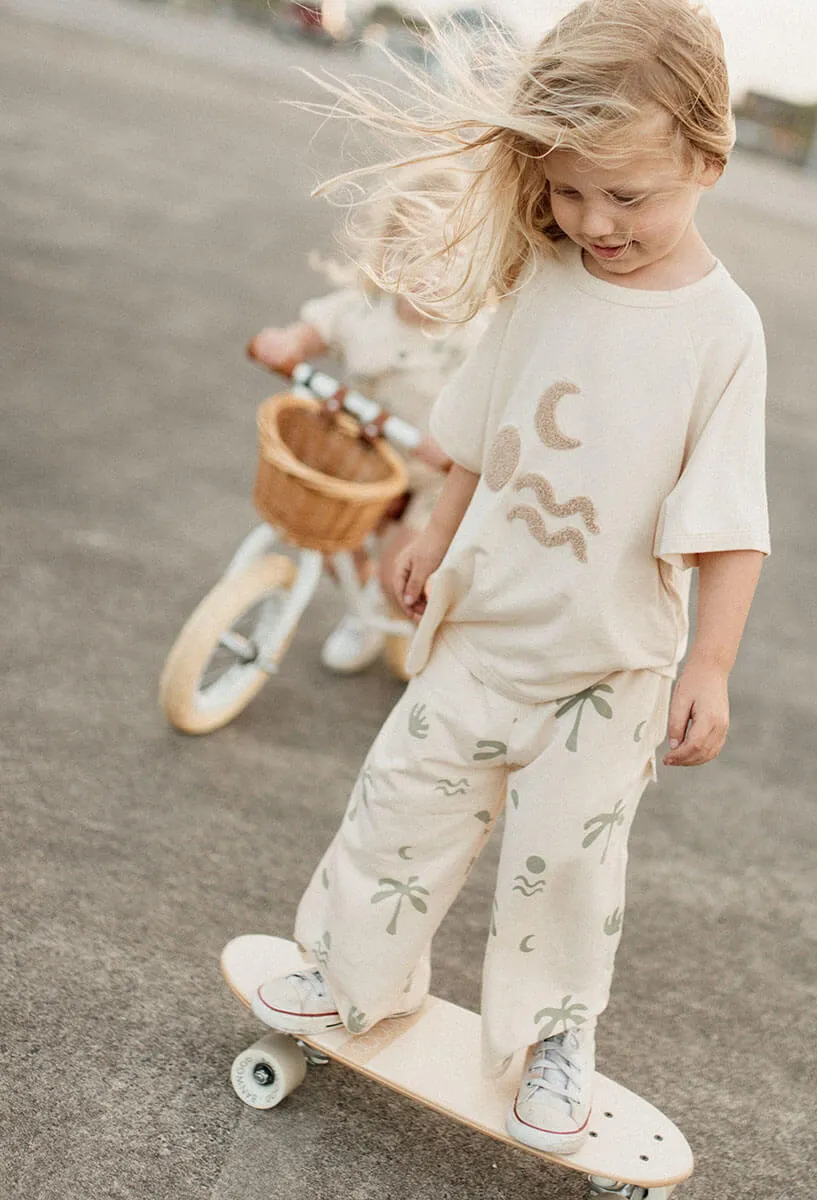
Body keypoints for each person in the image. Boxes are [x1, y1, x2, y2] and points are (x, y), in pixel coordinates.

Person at [248, 0, 770, 1155]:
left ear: (707, 155)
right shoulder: (546, 276)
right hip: (481, 630)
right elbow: (481, 431)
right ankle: (351, 977)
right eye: (569, 191)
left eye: (626, 196)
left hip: (609, 669)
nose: (593, 221)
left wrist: (714, 665)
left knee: (566, 875)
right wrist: (435, 530)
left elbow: (732, 522)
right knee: (400, 810)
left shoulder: (721, 331)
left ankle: (551, 1040)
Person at [250, 189, 484, 674]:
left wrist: (461, 443)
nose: (431, 275)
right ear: (388, 256)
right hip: (364, 458)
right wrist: (286, 342)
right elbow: (316, 331)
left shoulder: (474, 335)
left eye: (449, 259)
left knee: (404, 569)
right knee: (332, 543)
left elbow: (496, 399)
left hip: (433, 475)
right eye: (413, 256)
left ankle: (395, 610)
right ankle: (366, 608)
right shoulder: (364, 312)